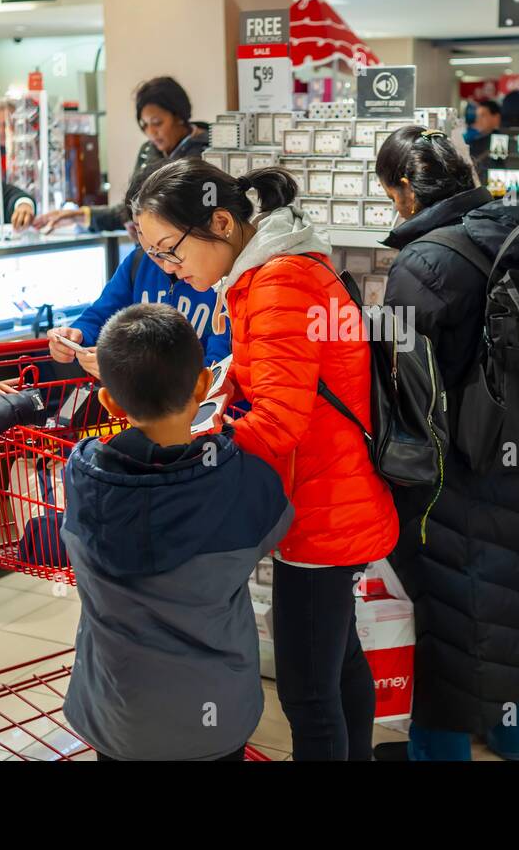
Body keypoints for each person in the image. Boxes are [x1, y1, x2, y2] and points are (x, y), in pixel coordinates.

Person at [127, 158, 398, 761]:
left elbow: (278, 421)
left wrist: (196, 448)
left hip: (319, 512)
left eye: (172, 251)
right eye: (157, 258)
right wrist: (226, 394)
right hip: (332, 492)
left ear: (221, 222)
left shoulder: (277, 283)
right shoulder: (277, 270)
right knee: (339, 660)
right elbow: (282, 385)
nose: (170, 270)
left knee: (306, 692)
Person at [370, 127, 519, 761]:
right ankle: (518, 743)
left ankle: (438, 751)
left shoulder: (425, 263)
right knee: (517, 605)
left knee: (447, 638)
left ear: (404, 190)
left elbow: (409, 396)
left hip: (454, 477)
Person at [60, 303, 293, 761]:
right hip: (214, 718)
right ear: (204, 384)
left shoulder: (81, 475)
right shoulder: (241, 481)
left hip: (118, 716)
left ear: (108, 400)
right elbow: (276, 523)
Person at [43, 84, 229, 371]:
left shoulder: (223, 281)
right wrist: (77, 334)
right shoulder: (140, 262)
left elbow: (217, 375)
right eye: (140, 231)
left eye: (167, 243)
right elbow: (102, 313)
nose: (163, 260)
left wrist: (131, 375)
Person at [35, 76, 210, 232]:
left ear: (179, 116)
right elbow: (129, 211)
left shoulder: (209, 152)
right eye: (144, 124)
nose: (150, 132)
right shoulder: (148, 151)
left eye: (157, 123)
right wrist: (77, 215)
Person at [467, 98, 502, 182]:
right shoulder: (474, 141)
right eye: (477, 116)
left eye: (483, 115)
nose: (478, 120)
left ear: (496, 117)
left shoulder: (504, 139)